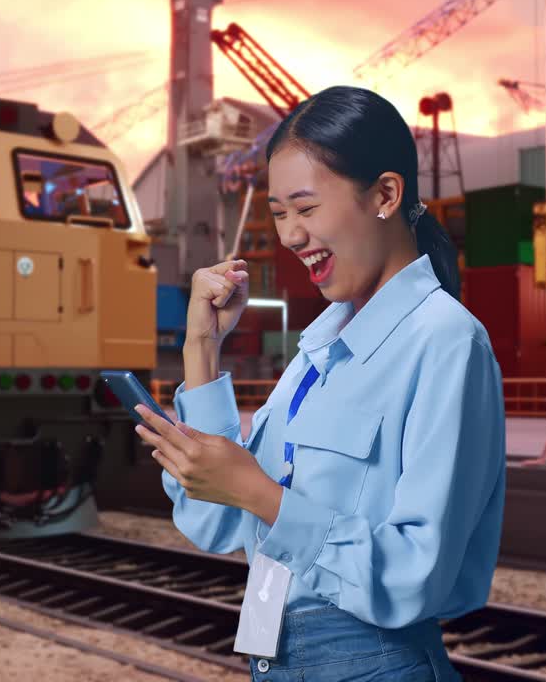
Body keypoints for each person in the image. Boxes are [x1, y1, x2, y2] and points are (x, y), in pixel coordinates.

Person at [133, 85, 506, 681]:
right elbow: (214, 522)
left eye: (305, 209)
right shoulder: (318, 351)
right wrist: (202, 346)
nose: (289, 236)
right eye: (278, 214)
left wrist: (259, 492)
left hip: (372, 664)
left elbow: (416, 576)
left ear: (385, 194)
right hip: (270, 653)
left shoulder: (446, 342)